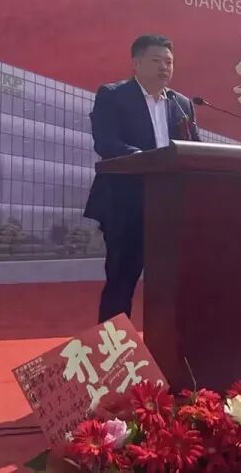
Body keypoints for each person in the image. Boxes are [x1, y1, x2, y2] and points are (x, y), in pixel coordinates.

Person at [84, 34, 201, 323]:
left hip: (170, 206)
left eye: (169, 62)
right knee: (122, 279)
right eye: (156, 60)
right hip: (125, 203)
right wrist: (144, 158)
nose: (164, 67)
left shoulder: (181, 104)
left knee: (172, 282)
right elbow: (106, 142)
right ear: (136, 64)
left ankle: (169, 343)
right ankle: (112, 347)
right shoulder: (113, 95)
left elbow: (194, 149)